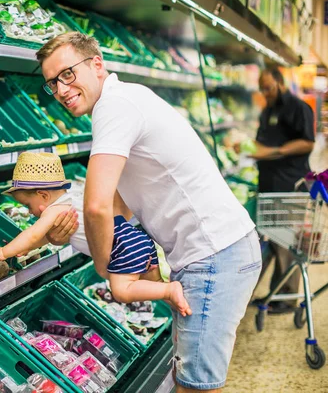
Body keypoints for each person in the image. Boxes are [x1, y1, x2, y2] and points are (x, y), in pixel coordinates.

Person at [35, 32, 261, 393]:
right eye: (52, 83)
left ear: (96, 64)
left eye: (67, 74)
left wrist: (103, 263)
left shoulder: (115, 107)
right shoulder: (126, 98)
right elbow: (119, 206)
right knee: (182, 376)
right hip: (212, 252)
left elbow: (97, 205)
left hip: (215, 256)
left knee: (196, 386)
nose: (61, 89)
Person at [0, 152, 192, 316]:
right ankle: (180, 304)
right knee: (152, 283)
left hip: (121, 247)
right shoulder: (75, 195)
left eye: (28, 206)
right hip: (135, 238)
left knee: (122, 290)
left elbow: (32, 234)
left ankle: (170, 291)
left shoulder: (54, 210)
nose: (30, 212)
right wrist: (25, 249)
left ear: (43, 195)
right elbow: (39, 239)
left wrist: (4, 252)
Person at [249, 69, 315, 313]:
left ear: (279, 82)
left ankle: (287, 299)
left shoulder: (299, 108)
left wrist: (274, 152)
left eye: (268, 88)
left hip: (290, 184)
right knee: (276, 240)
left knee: (286, 241)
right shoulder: (268, 111)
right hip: (269, 184)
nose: (265, 93)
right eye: (262, 89)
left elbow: (308, 142)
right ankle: (276, 294)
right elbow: (260, 143)